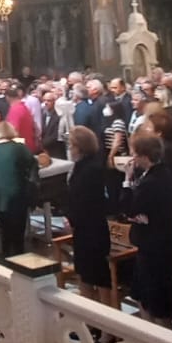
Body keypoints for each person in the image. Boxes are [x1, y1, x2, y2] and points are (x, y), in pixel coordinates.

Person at [121, 130, 172, 322]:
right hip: (153, 245)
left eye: (134, 153)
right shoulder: (162, 172)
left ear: (144, 156)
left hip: (155, 248)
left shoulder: (152, 181)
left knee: (156, 303)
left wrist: (127, 180)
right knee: (141, 296)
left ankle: (159, 340)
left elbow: (129, 209)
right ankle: (148, 337)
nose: (132, 157)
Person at [64, 124, 119, 305]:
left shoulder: (92, 169)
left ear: (81, 147)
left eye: (71, 145)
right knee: (84, 274)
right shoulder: (80, 166)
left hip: (93, 229)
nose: (69, 149)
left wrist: (73, 218)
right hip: (81, 229)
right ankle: (87, 316)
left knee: (98, 276)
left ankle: (106, 318)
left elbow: (90, 201)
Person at [0, 120, 38, 258]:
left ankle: (6, 256)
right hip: (15, 196)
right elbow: (33, 164)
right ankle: (19, 259)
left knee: (5, 231)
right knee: (18, 235)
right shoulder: (18, 148)